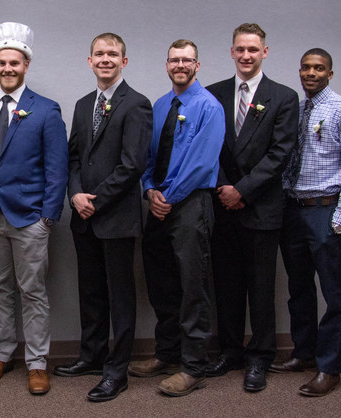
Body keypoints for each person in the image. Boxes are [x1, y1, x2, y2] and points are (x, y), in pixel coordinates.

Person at [0, 21, 68, 396]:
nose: (8, 68)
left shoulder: (45, 109)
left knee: (33, 291)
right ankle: (2, 353)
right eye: (2, 62)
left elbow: (56, 170)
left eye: (15, 62)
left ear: (26, 65)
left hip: (30, 219)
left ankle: (38, 363)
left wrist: (47, 219)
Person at [54, 33, 152, 402]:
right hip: (84, 216)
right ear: (90, 60)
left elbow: (133, 165)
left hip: (117, 217)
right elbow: (75, 157)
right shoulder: (82, 105)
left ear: (124, 61)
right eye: (100, 54)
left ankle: (117, 370)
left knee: (120, 295)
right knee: (90, 291)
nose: (106, 59)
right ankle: (92, 356)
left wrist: (97, 200)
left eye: (113, 54)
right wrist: (76, 195)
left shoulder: (137, 104)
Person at [127, 39, 225, 397]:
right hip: (159, 205)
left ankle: (194, 367)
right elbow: (149, 158)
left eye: (187, 60)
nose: (180, 65)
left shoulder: (209, 107)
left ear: (197, 65)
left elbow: (202, 163)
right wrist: (150, 189)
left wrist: (167, 197)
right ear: (166, 64)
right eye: (174, 60)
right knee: (161, 284)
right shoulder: (161, 105)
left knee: (192, 287)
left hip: (190, 206)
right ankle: (166, 354)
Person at [205, 23, 299, 392]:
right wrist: (223, 189)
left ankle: (260, 356)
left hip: (261, 207)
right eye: (240, 49)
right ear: (232, 52)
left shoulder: (284, 96)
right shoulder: (213, 94)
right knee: (226, 284)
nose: (246, 56)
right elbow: (206, 149)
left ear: (265, 52)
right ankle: (230, 351)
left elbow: (280, 154)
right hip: (221, 205)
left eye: (253, 50)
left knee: (261, 287)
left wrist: (242, 190)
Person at [270, 48, 341, 397]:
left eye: (319, 68)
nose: (311, 73)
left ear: (330, 73)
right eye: (306, 68)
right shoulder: (294, 110)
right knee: (299, 288)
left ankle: (329, 368)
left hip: (325, 210)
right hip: (293, 210)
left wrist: (340, 220)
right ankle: (304, 353)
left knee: (334, 294)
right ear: (300, 71)